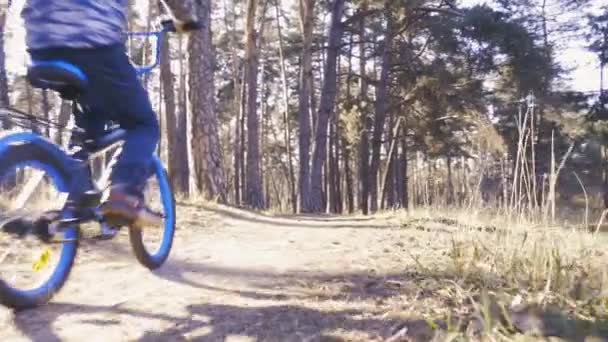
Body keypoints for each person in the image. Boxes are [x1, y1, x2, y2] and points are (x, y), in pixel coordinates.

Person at [20, 1, 199, 228]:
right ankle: (123, 192)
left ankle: (77, 199)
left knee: (88, 123)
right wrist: (184, 20)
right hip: (91, 43)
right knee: (143, 124)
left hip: (39, 47)